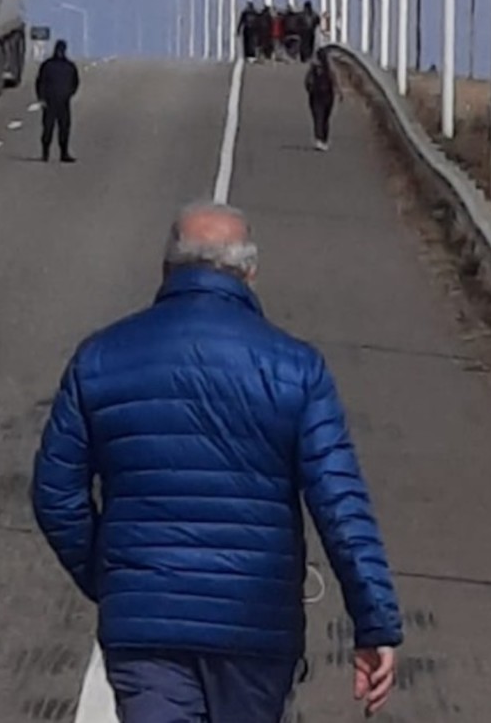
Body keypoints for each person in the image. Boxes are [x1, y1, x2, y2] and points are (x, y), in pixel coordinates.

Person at [32, 202, 403, 723]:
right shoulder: (295, 368)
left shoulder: (100, 357)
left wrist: (112, 577)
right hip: (254, 622)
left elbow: (55, 492)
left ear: (167, 268)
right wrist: (374, 622)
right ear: (249, 272)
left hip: (147, 623)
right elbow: (341, 506)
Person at [34, 39, 80, 162]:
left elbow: (75, 82)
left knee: (63, 128)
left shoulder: (67, 66)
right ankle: (46, 153)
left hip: (62, 101)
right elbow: (40, 83)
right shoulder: (49, 65)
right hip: (51, 102)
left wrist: (69, 93)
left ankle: (63, 153)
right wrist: (42, 98)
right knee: (49, 128)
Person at [305, 47, 341, 151]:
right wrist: (339, 91)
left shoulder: (313, 68)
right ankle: (323, 139)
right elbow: (335, 79)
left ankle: (319, 139)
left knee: (318, 117)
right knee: (325, 118)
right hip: (328, 94)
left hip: (315, 94)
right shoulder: (330, 68)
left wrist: (309, 89)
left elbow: (307, 81)